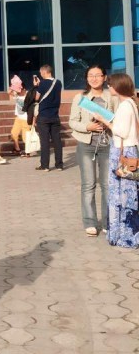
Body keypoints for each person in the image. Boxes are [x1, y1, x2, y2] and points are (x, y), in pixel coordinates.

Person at [91, 72, 139, 249]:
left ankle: (125, 235)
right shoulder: (130, 103)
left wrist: (104, 120)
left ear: (117, 87)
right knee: (127, 193)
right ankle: (125, 234)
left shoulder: (125, 105)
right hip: (128, 150)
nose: (108, 87)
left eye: (110, 84)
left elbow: (121, 131)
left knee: (122, 194)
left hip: (122, 152)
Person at [69, 65, 116, 237]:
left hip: (107, 144)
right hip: (86, 145)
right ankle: (90, 222)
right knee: (88, 184)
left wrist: (109, 123)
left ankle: (107, 222)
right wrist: (87, 127)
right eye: (90, 75)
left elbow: (119, 118)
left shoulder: (112, 97)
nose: (94, 78)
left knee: (107, 185)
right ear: (86, 78)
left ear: (104, 77)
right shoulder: (80, 98)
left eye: (98, 75)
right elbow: (73, 121)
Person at [34, 64, 63, 171]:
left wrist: (36, 86)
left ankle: (45, 165)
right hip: (55, 115)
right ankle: (59, 165)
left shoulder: (42, 83)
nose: (40, 74)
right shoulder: (58, 82)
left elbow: (36, 98)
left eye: (41, 73)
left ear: (44, 72)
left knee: (45, 142)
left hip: (43, 116)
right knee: (57, 141)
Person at [9, 75, 30, 156]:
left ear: (23, 88)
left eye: (18, 90)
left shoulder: (28, 95)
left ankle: (28, 151)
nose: (17, 92)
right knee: (14, 133)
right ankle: (17, 149)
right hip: (18, 118)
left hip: (26, 119)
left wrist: (34, 120)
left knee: (25, 136)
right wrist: (13, 87)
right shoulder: (16, 94)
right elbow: (9, 92)